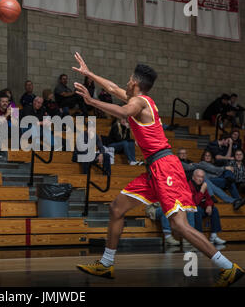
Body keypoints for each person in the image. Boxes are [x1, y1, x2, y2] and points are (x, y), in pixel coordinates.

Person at [71, 52, 244, 286]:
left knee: (179, 225)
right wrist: (89, 73)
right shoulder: (139, 100)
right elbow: (112, 89)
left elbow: (122, 112)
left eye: (129, 78)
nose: (125, 81)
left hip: (165, 167)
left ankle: (228, 267)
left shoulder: (139, 103)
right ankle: (105, 264)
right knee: (116, 208)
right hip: (154, 169)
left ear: (134, 82)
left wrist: (92, 102)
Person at [190, 169, 226, 245]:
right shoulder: (189, 185)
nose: (200, 179)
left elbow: (208, 198)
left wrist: (209, 205)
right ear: (193, 177)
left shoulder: (202, 185)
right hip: (192, 210)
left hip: (202, 208)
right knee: (197, 210)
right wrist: (202, 191)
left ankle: (214, 235)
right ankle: (200, 236)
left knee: (214, 209)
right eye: (198, 176)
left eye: (202, 177)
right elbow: (194, 202)